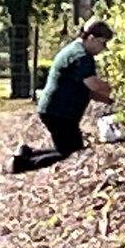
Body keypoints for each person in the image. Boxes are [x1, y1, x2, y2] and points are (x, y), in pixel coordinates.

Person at [10, 17, 114, 174]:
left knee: (66, 149)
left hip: (54, 109)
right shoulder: (82, 56)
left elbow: (86, 90)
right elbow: (93, 84)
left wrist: (110, 100)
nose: (103, 48)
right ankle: (21, 165)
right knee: (71, 152)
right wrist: (119, 87)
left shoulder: (74, 50)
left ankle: (25, 155)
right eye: (103, 43)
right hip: (59, 111)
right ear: (91, 38)